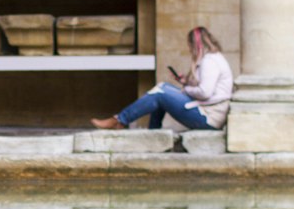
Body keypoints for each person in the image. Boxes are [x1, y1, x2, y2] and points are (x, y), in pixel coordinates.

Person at [90, 26, 233, 132]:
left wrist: (186, 89)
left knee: (160, 94)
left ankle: (119, 121)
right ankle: (151, 132)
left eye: (190, 46)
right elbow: (207, 89)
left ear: (195, 45)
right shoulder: (214, 58)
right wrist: (186, 83)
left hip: (207, 118)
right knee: (162, 88)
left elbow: (205, 92)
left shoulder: (210, 61)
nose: (190, 50)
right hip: (207, 113)